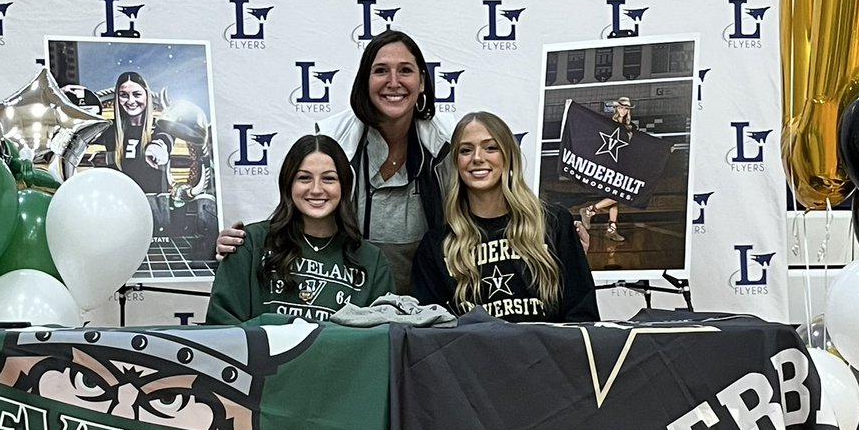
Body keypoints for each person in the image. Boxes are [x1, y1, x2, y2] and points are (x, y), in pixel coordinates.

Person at [216, 30, 453, 294]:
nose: (393, 81)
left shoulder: (450, 146)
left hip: (430, 307)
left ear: (422, 81)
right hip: (348, 307)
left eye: (405, 70)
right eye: (381, 71)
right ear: (364, 80)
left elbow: (476, 226)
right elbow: (296, 220)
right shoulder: (332, 141)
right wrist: (243, 249)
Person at [412, 111, 598, 323]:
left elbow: (583, 317)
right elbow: (429, 337)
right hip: (472, 356)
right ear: (456, 162)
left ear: (509, 155)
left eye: (490, 147)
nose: (477, 158)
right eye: (466, 150)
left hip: (548, 355)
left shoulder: (554, 224)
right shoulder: (436, 246)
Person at [204, 134, 394, 324]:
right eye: (304, 178)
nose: (316, 189)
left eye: (328, 179)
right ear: (288, 184)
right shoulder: (250, 244)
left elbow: (384, 340)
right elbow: (223, 330)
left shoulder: (372, 261)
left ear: (344, 186)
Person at [104, 71, 172, 196]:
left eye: (137, 94)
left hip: (153, 203)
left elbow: (165, 138)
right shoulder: (110, 130)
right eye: (124, 95)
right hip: (118, 201)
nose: (131, 101)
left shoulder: (160, 126)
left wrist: (158, 147)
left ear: (146, 96)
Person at [579, 96, 633, 243]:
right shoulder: (609, 124)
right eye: (621, 107)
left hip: (622, 164)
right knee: (617, 196)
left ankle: (611, 230)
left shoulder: (629, 127)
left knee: (616, 201)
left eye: (626, 108)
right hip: (610, 163)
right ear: (616, 108)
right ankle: (590, 210)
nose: (623, 110)